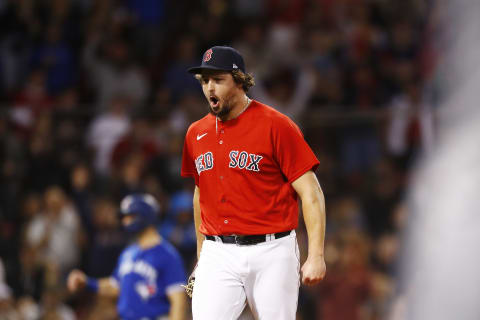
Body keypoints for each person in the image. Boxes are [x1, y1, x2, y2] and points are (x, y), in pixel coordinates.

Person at [181, 46, 327, 319]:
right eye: (205, 81)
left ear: (239, 81)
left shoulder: (277, 125)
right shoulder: (195, 133)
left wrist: (316, 255)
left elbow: (311, 192)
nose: (210, 88)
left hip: (272, 250)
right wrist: (202, 258)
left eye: (218, 80)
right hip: (218, 252)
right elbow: (201, 195)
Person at [67, 194, 187, 320]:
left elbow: (178, 302)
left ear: (145, 215)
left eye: (131, 216)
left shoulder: (167, 255)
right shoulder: (128, 253)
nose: (125, 221)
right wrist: (87, 282)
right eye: (124, 217)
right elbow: (116, 286)